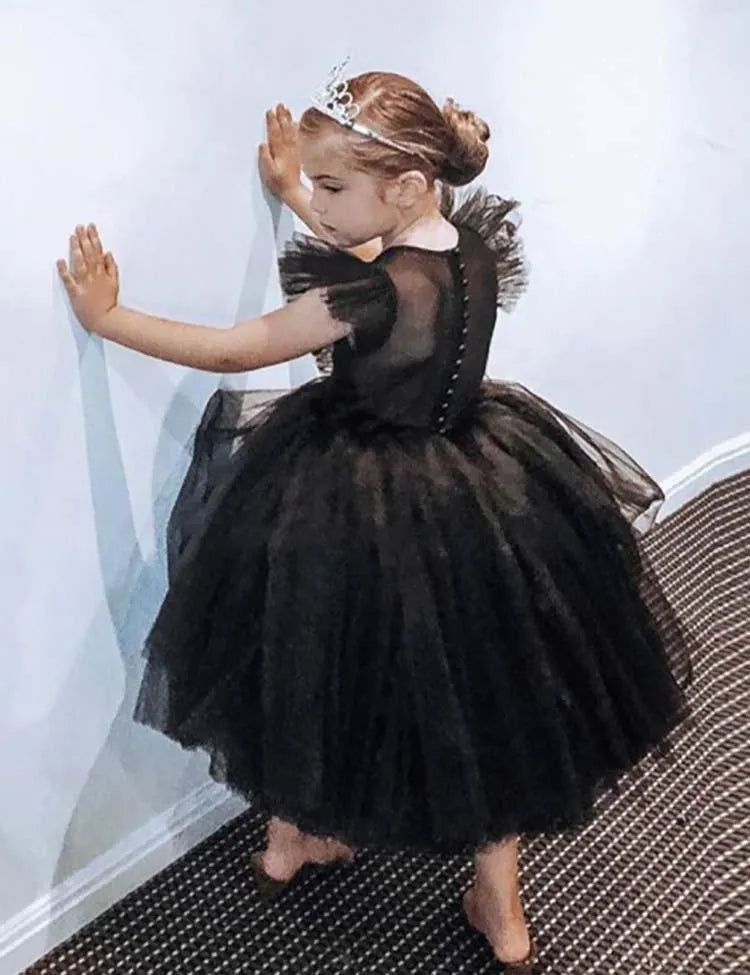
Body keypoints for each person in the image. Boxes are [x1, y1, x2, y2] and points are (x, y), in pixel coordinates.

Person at [57, 59, 695, 972]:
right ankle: (500, 904)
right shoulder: (466, 247)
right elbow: (383, 256)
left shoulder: (367, 293)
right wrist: (297, 192)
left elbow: (238, 349)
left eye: (332, 187)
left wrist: (110, 318)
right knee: (493, 697)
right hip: (477, 490)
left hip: (354, 497)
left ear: (403, 186)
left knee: (314, 665)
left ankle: (290, 840)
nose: (318, 202)